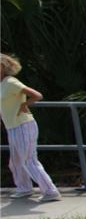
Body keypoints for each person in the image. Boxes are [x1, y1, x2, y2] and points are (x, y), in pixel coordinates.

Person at [1, 54, 60, 201]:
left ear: (2, 67)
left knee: (29, 160)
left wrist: (23, 105)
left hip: (23, 125)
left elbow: (37, 95)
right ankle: (24, 188)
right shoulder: (2, 84)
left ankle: (51, 192)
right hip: (12, 126)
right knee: (15, 161)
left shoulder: (11, 82)